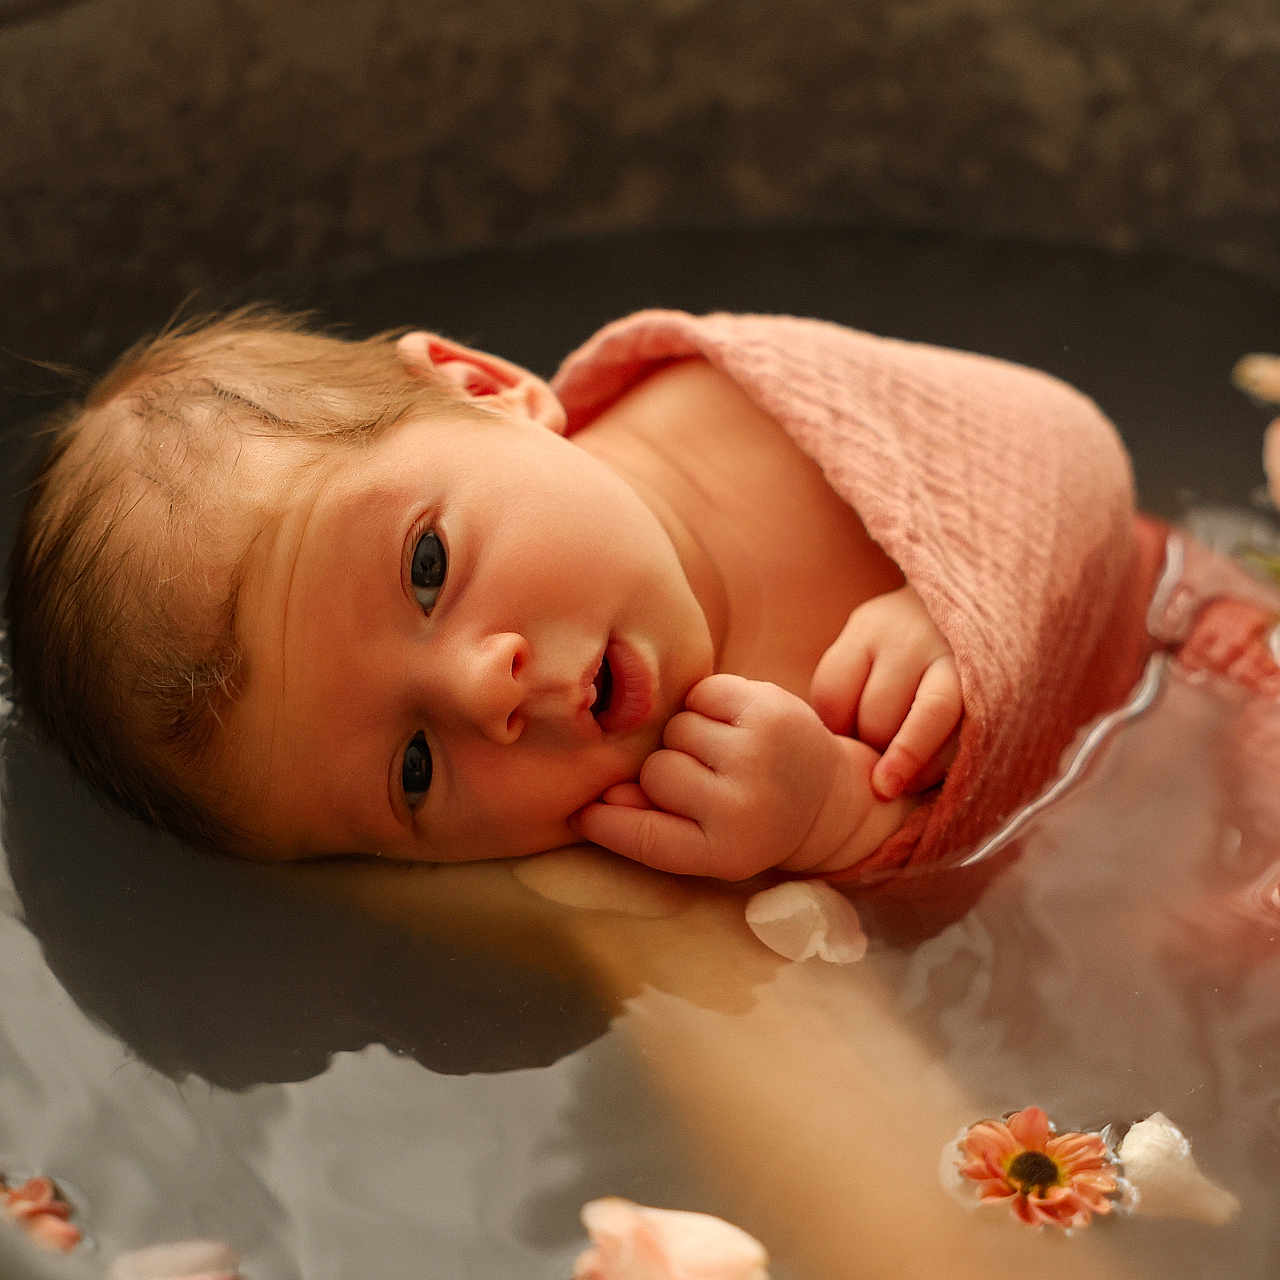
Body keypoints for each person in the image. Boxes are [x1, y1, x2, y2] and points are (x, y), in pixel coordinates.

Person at [6, 307, 1274, 884]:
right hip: (1126, 865)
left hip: (1204, 659)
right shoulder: (649, 810)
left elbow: (1063, 442)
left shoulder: (739, 404)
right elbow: (948, 897)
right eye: (408, 770)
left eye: (427, 567)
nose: (480, 690)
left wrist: (957, 595)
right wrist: (833, 825)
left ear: (485, 386)